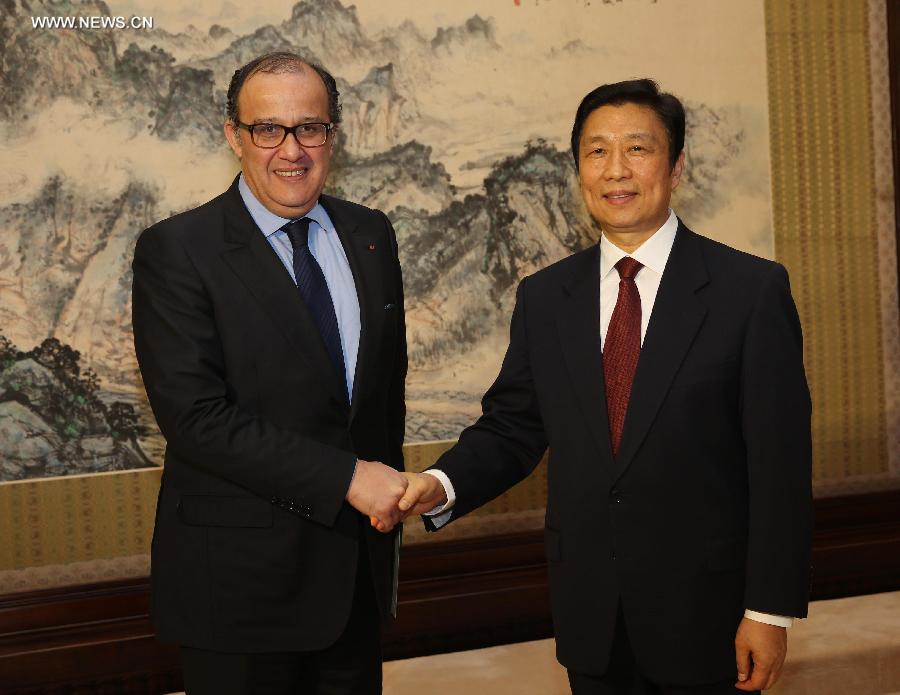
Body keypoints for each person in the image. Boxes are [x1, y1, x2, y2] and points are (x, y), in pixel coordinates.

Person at [398, 79, 813, 694]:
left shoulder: (748, 292)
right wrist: (442, 484)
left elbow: (780, 465)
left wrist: (769, 610)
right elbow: (515, 425)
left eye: (637, 149)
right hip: (591, 619)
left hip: (709, 618)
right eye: (596, 152)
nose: (615, 170)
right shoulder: (545, 298)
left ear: (675, 167)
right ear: (578, 171)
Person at [132, 52, 407, 695]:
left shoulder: (371, 234)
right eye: (268, 130)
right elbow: (195, 419)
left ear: (333, 134)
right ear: (234, 135)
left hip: (356, 587)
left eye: (310, 128)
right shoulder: (178, 251)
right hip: (239, 598)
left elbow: (376, 397)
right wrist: (348, 478)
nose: (292, 150)